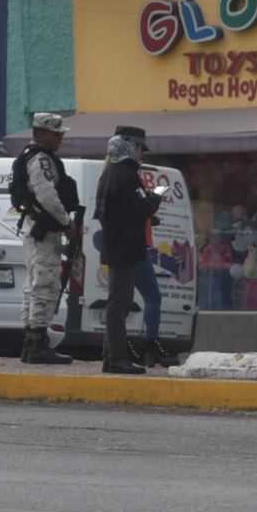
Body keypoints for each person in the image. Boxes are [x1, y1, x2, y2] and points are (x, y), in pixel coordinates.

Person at [11, 112, 81, 364]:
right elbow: (47, 194)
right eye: (56, 133)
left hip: (35, 229)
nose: (60, 138)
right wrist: (66, 222)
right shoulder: (40, 160)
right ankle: (37, 343)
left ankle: (32, 343)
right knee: (45, 285)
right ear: (40, 133)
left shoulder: (31, 156)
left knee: (34, 287)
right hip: (43, 231)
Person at [94, 128, 160, 374]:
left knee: (118, 302)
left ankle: (111, 357)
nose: (141, 154)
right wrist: (155, 199)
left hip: (116, 245)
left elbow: (117, 210)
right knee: (119, 303)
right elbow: (141, 207)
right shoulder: (127, 173)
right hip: (124, 247)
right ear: (130, 147)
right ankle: (118, 359)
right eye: (140, 148)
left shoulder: (109, 173)